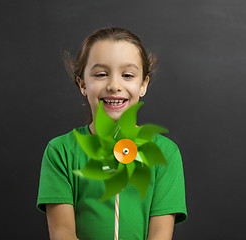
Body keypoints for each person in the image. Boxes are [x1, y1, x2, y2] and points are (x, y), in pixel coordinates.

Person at [37, 27, 187, 240]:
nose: (114, 85)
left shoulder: (165, 153)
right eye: (100, 74)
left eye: (128, 75)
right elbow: (62, 232)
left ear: (143, 84)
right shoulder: (60, 151)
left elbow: (160, 235)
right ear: (82, 83)